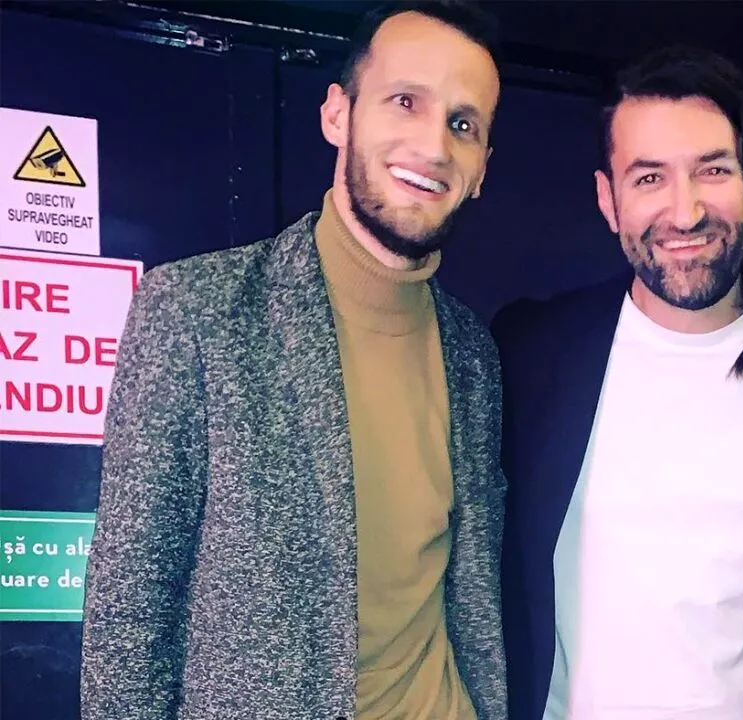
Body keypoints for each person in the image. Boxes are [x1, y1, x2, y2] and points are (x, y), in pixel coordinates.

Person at [79, 2, 509, 718]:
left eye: (463, 125)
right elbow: (129, 613)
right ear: (338, 115)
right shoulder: (195, 311)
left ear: (481, 169)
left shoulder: (473, 355)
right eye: (406, 101)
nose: (434, 145)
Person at [492, 46, 743, 720]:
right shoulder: (532, 352)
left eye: (713, 170)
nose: (686, 211)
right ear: (608, 200)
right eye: (649, 178)